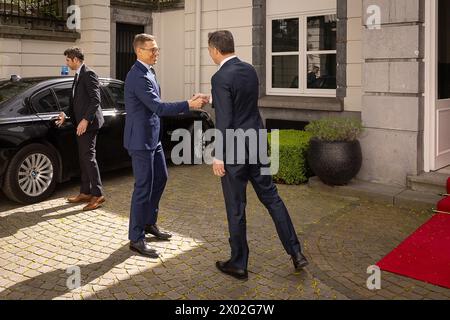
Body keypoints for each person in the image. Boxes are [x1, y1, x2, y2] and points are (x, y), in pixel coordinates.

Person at [207, 30, 308, 280]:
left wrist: (218, 155)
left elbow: (226, 118)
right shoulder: (250, 70)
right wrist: (211, 98)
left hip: (235, 151)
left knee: (236, 207)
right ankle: (296, 253)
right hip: (257, 144)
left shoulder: (220, 77)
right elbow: (241, 101)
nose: (210, 54)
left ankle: (239, 264)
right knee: (273, 199)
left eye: (209, 50)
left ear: (216, 50)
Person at [124, 34, 207, 258]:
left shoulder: (149, 71)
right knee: (143, 187)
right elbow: (158, 107)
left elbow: (156, 107)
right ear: (139, 51)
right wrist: (189, 104)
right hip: (140, 141)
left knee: (161, 178)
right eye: (152, 50)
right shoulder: (137, 76)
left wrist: (188, 101)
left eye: (157, 49)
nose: (156, 53)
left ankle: (149, 223)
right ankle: (136, 238)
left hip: (153, 138)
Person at [56, 47, 106, 211]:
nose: (66, 63)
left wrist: (85, 120)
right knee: (83, 158)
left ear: (75, 59)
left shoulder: (89, 74)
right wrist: (66, 115)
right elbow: (76, 102)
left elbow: (95, 100)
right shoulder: (78, 75)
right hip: (80, 124)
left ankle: (97, 195)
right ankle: (85, 192)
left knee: (89, 158)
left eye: (68, 60)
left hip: (89, 125)